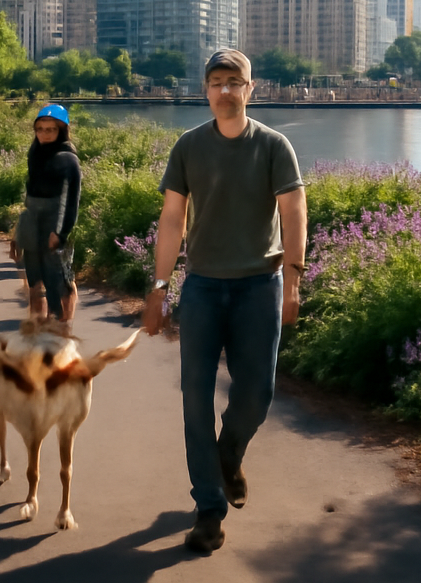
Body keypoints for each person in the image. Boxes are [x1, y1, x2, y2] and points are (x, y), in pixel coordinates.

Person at [141, 49, 306, 556]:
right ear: (206, 90)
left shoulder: (274, 146)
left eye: (235, 81)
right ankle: (208, 509)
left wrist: (295, 282)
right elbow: (172, 219)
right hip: (205, 288)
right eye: (216, 81)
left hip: (260, 285)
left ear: (250, 89)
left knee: (257, 393)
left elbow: (294, 210)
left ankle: (229, 452)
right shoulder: (189, 146)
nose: (225, 90)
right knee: (195, 398)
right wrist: (159, 286)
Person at [9, 104, 81, 322]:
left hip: (55, 223)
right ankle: (37, 328)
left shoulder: (67, 159)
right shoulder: (36, 153)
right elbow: (30, 194)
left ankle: (62, 329)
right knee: (35, 279)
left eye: (50, 129)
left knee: (60, 280)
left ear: (62, 130)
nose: (44, 134)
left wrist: (59, 233)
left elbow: (70, 200)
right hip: (33, 223)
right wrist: (18, 232)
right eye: (40, 129)